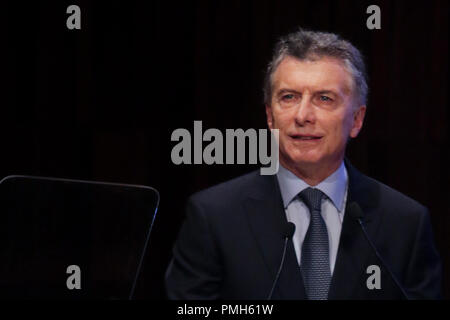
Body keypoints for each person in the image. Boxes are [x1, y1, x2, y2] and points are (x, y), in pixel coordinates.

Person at [165, 29, 442, 299]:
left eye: (324, 98)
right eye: (289, 97)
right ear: (270, 117)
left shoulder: (405, 224)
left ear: (356, 120)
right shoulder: (213, 217)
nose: (303, 115)